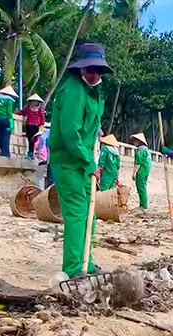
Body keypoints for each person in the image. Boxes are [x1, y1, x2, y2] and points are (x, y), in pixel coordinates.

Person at [48, 43, 111, 279]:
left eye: (98, 70)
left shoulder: (93, 91)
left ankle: (87, 260)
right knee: (76, 212)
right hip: (68, 160)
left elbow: (91, 128)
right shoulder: (73, 90)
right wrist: (90, 165)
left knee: (89, 213)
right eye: (90, 69)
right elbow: (70, 133)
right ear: (81, 69)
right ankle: (74, 268)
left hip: (84, 161)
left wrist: (90, 162)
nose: (95, 74)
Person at [17, 94, 46, 159]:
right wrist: (16, 113)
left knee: (33, 140)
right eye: (33, 101)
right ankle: (30, 153)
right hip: (28, 125)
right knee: (29, 139)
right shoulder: (28, 108)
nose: (34, 102)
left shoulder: (40, 109)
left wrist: (41, 127)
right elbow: (23, 112)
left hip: (35, 126)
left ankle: (31, 153)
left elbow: (42, 119)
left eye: (35, 101)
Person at [130, 133, 151, 210]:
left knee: (141, 188)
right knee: (143, 187)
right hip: (145, 171)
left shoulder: (140, 149)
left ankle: (143, 205)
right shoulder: (146, 149)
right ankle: (143, 204)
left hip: (141, 171)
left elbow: (138, 162)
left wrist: (134, 173)